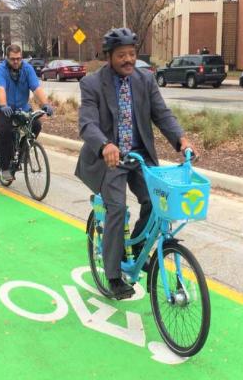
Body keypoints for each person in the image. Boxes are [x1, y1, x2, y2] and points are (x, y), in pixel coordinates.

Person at [75, 27, 195, 300]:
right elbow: (87, 123)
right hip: (110, 160)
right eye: (121, 55)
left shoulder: (145, 80)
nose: (128, 60)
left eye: (132, 54)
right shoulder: (92, 84)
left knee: (155, 203)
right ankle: (114, 274)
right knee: (117, 208)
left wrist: (182, 141)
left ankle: (139, 252)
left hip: (139, 156)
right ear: (109, 57)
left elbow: (162, 114)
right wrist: (105, 144)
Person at [0, 43, 53, 182]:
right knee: (6, 131)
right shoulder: (1, 70)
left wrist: (46, 104)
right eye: (13, 59)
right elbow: (0, 88)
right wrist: (4, 105)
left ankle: (23, 151)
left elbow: (36, 88)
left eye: (18, 58)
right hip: (1, 108)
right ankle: (5, 167)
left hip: (21, 108)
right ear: (7, 58)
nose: (16, 61)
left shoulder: (27, 69)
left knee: (36, 125)